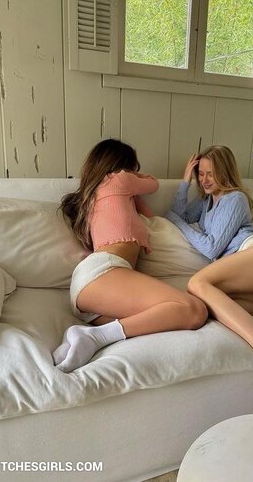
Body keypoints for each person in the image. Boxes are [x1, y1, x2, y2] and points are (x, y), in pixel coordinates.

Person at [165, 145, 253, 418]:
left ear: (226, 172)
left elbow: (211, 248)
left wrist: (176, 222)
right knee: (203, 305)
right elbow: (178, 214)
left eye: (211, 174)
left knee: (196, 284)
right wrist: (185, 182)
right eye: (201, 174)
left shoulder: (235, 198)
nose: (205, 180)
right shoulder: (206, 202)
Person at [53, 139, 208, 373]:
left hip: (97, 295)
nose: (134, 173)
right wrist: (136, 176)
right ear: (122, 165)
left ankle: (87, 337)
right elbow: (153, 184)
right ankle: (93, 338)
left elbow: (148, 215)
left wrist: (133, 196)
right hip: (103, 272)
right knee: (194, 310)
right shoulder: (117, 180)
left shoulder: (99, 194)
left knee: (175, 314)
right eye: (133, 167)